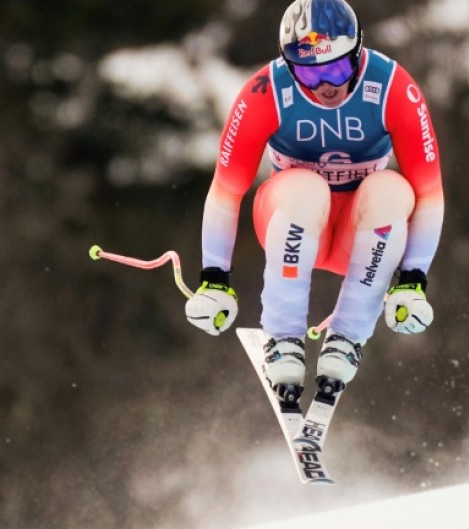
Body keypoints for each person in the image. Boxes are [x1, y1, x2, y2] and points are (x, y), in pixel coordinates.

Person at [184, 0, 444, 406]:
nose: (325, 86)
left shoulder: (393, 86)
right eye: (308, 72)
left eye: (337, 69)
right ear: (290, 66)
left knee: (393, 190)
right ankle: (284, 337)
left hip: (358, 235)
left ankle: (347, 338)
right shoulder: (266, 90)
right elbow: (225, 191)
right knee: (307, 188)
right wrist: (215, 279)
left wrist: (414, 281)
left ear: (358, 51)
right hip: (292, 219)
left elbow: (429, 193)